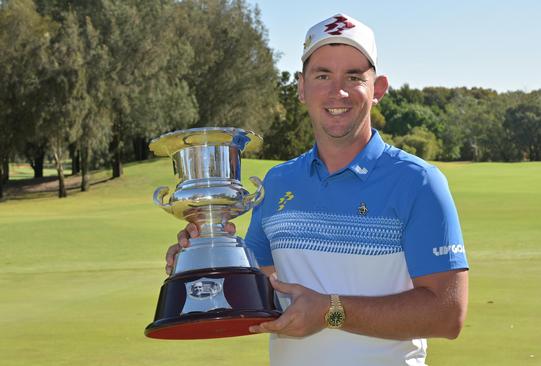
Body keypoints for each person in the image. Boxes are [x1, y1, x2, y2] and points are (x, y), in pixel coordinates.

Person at [167, 13, 469, 366]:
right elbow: (256, 293)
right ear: (301, 87)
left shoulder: (418, 181)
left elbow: (448, 315)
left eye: (353, 77)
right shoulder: (278, 184)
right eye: (323, 75)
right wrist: (202, 256)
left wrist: (331, 311)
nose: (337, 91)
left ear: (379, 89)